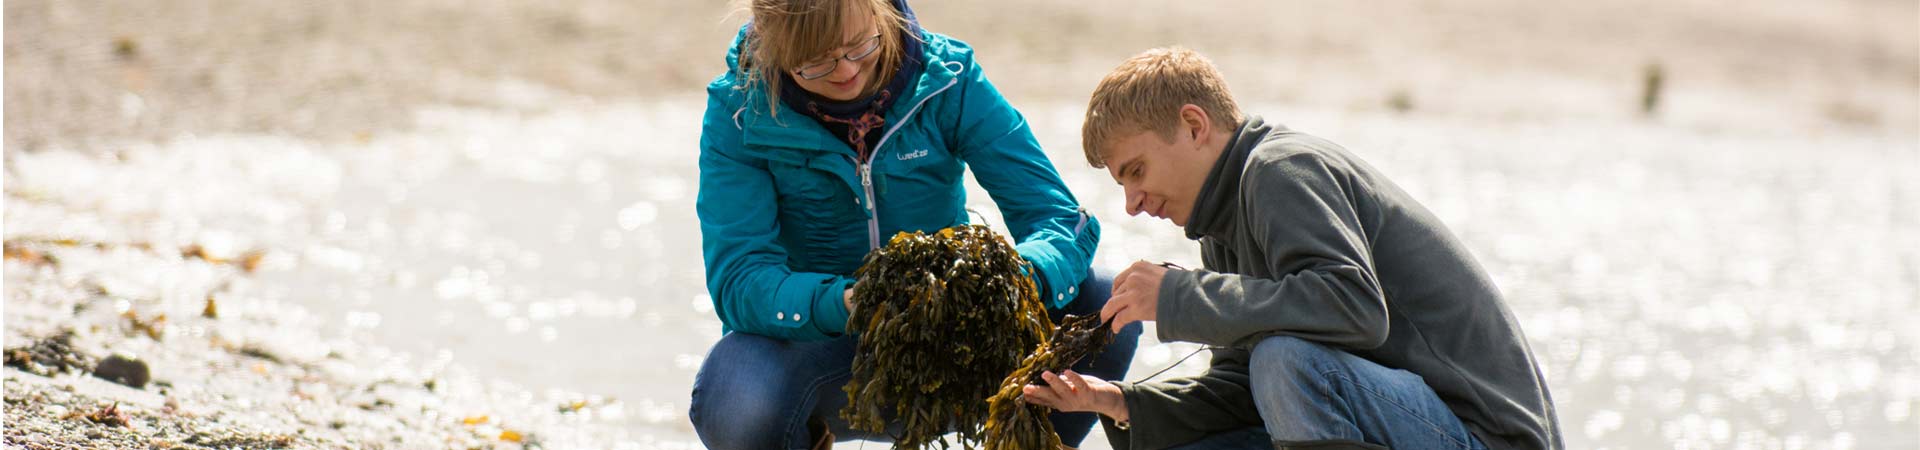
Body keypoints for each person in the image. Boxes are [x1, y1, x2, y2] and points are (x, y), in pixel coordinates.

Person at [1018, 47, 1562, 450]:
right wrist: (1118, 402)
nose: (1132, 203)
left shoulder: (1279, 169)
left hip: (1488, 436)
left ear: (1193, 125)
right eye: (1121, 185)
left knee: (1285, 360)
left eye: (1136, 171)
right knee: (1200, 433)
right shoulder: (1222, 225)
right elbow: (1240, 388)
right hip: (1411, 419)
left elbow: (1352, 307)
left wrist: (1181, 295)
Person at [689, 1, 1139, 448]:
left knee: (1105, 303)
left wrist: (1009, 282)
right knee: (736, 392)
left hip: (965, 337)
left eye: (859, 46)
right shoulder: (739, 112)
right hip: (829, 349)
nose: (846, 71)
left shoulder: (947, 80)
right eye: (815, 60)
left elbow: (1060, 219)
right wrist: (849, 302)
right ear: (775, 46)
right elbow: (741, 280)